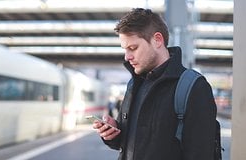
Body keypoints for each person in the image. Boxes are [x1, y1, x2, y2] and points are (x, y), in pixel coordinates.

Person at [92, 8, 217, 160]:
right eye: (125, 50)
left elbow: (201, 154)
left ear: (157, 40)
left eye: (133, 48)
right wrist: (113, 134)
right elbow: (128, 144)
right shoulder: (134, 84)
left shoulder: (194, 87)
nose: (127, 57)